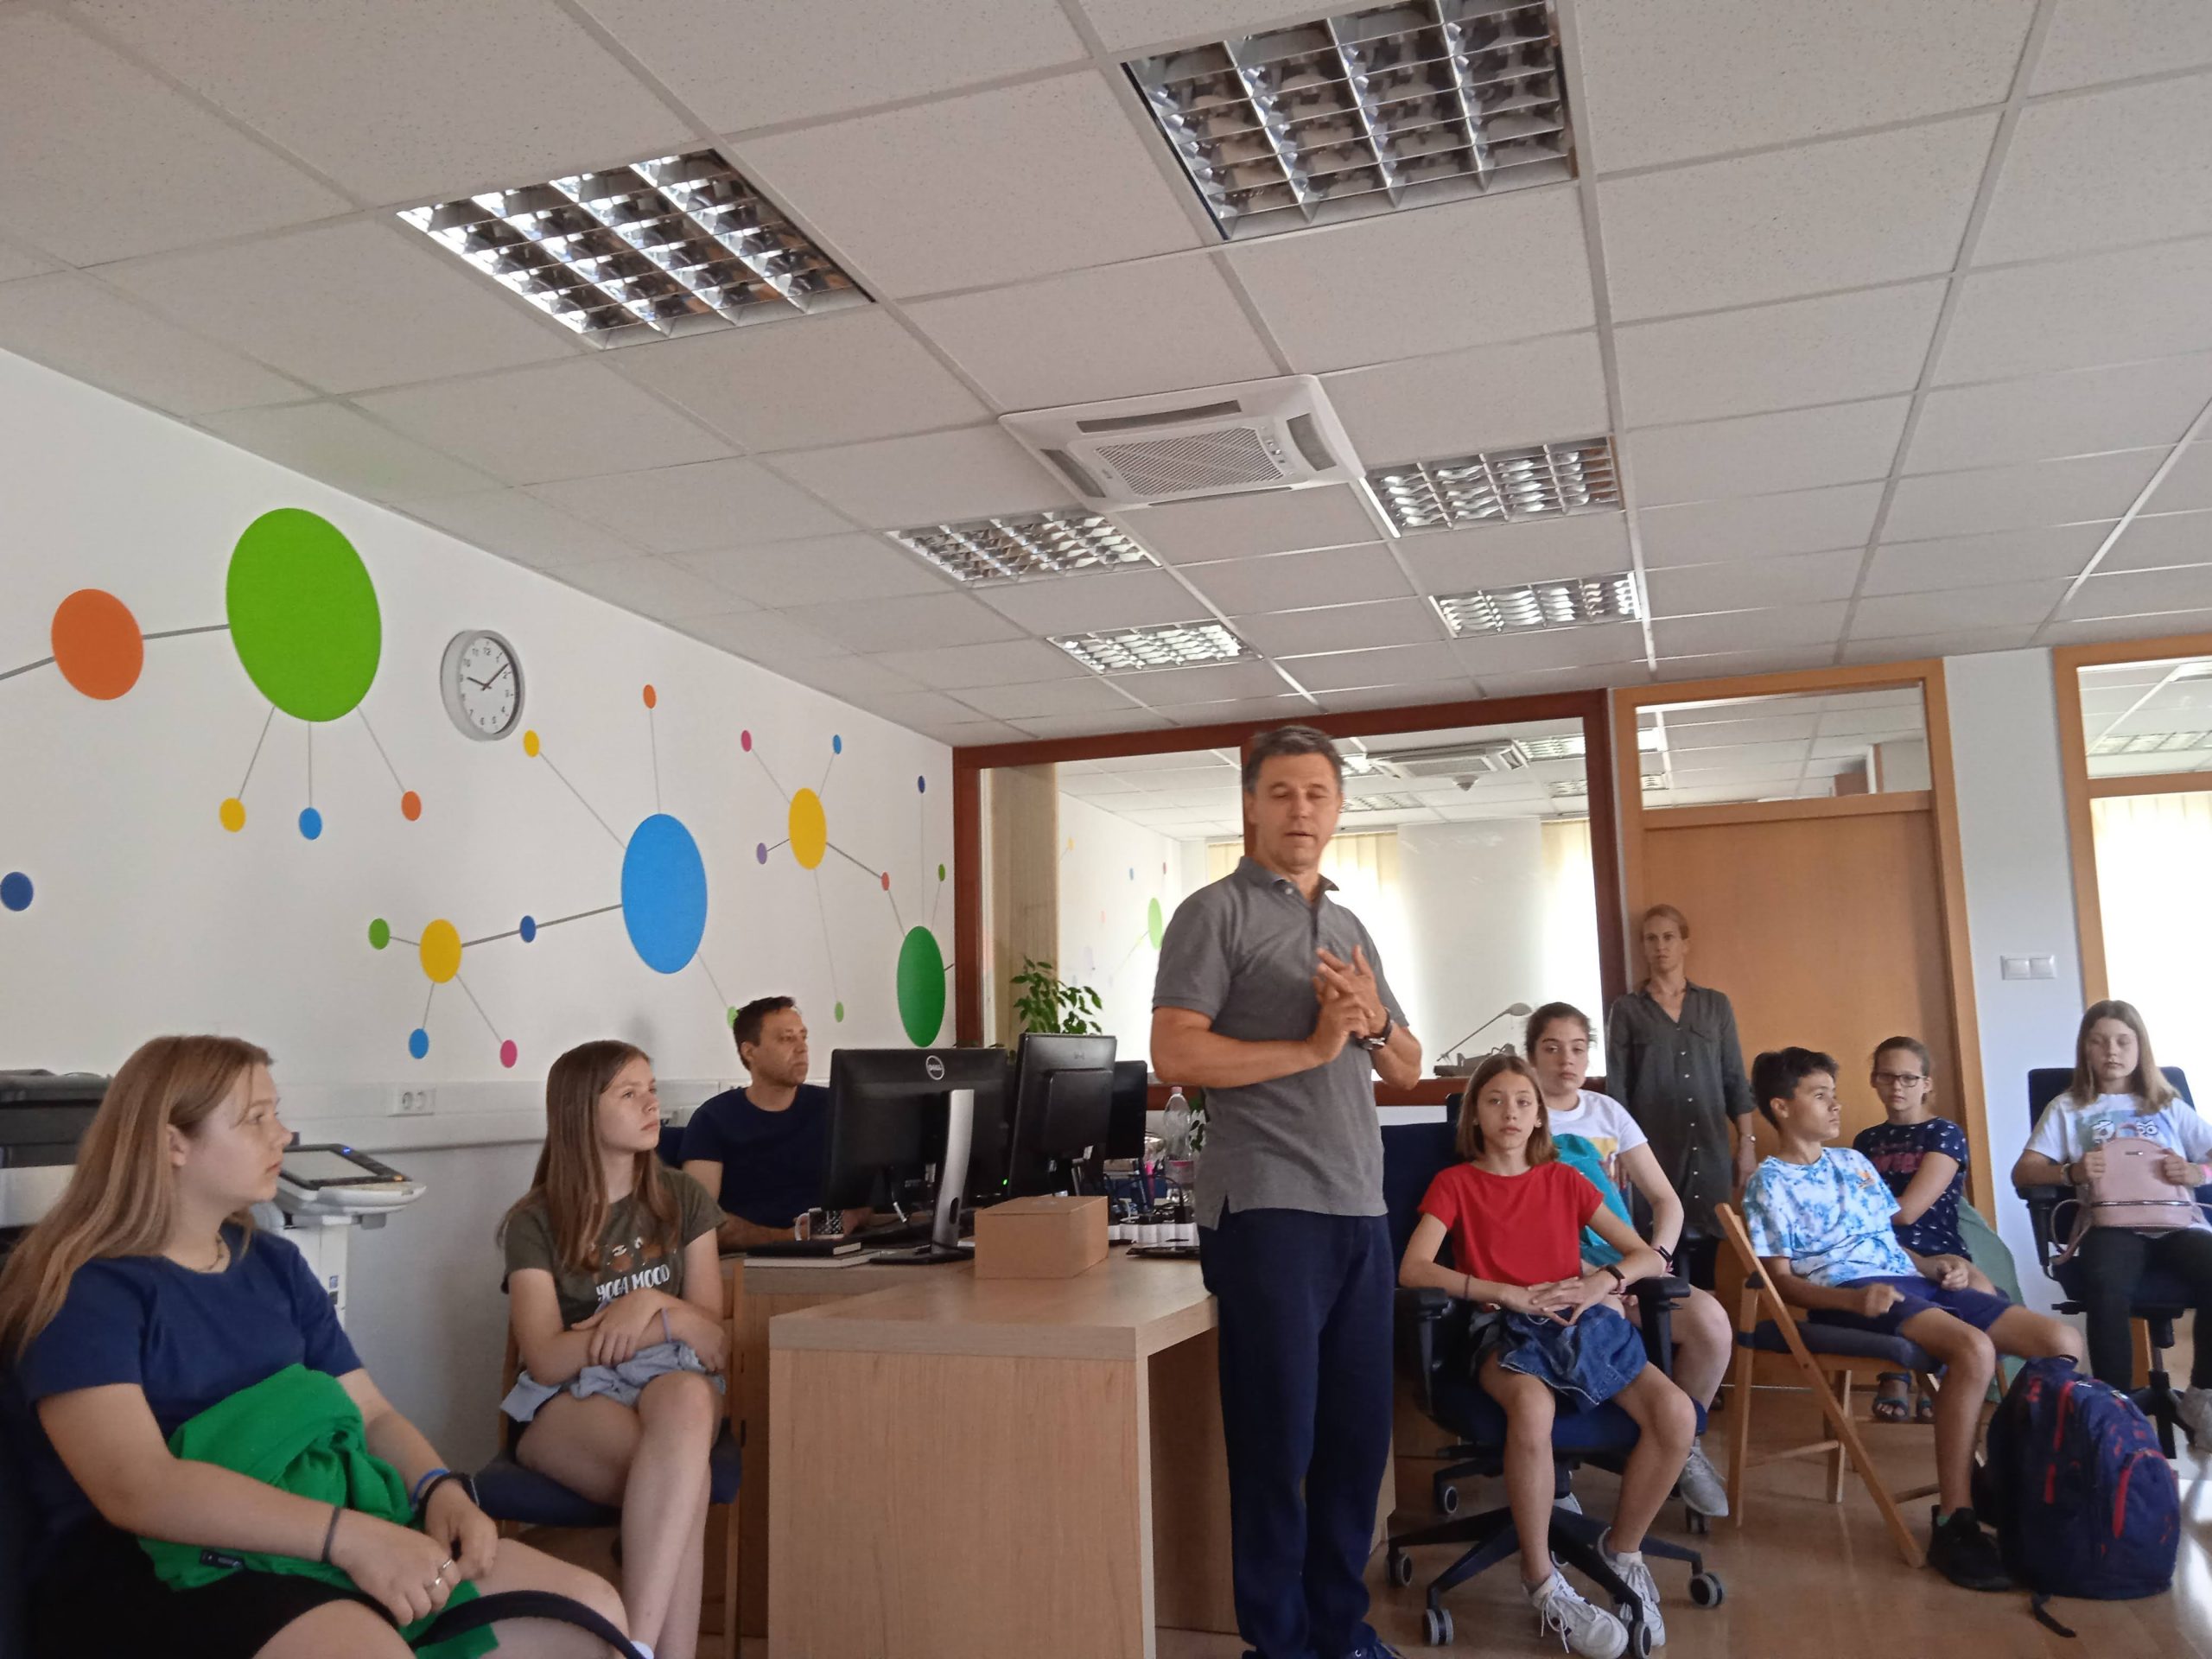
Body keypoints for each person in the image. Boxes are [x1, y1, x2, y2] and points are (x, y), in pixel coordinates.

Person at [0, 1034, 629, 1659]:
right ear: (174, 1144)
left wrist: (439, 1489)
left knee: (591, 1612)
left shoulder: (273, 1264)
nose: (283, 1135)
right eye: (255, 1119)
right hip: (156, 1567)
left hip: (321, 1522)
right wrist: (351, 1540)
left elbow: (371, 1414)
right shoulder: (86, 1293)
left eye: (276, 1114)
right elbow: (139, 1487)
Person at [1152, 723, 1422, 1659]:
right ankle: (1277, 1645)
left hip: (1360, 1207)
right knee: (1278, 1447)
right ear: (1250, 806)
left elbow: (1407, 1063)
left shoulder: (1350, 927)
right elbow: (1175, 1052)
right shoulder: (1213, 914)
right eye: (1281, 792)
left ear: (1338, 809)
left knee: (1355, 1444)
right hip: (1267, 1208)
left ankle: (1338, 1633)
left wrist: (1371, 1022)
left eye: (1316, 793)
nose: (1300, 809)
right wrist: (1310, 1047)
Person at [1743, 1046, 2086, 1591]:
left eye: (1835, 1094)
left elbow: (1891, 1246)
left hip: (1908, 1280)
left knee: (2060, 1340)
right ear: (1781, 1107)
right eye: (1821, 1096)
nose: (1836, 1105)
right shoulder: (1769, 1183)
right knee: (1973, 1349)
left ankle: (2011, 1479)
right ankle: (1954, 1518)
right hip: (1851, 1292)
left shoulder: (1854, 1164)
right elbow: (1780, 1282)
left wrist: (1938, 1264)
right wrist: (1852, 1302)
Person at [1401, 1054, 1694, 1658]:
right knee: (1532, 1411)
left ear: (1540, 1116)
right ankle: (1542, 1581)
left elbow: (1646, 1254)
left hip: (1578, 1320)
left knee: (1676, 1413)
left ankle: (1623, 1552)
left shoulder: (1564, 1179)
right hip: (1500, 1324)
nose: (1510, 1113)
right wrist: (1500, 1290)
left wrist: (1601, 1281)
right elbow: (1414, 1268)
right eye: (1495, 1101)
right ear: (1474, 1116)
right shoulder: (1456, 1183)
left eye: (1523, 1102)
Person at [501, 1040, 728, 1659]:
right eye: (630, 1093)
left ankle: (634, 1647)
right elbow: (547, 1358)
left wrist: (647, 1303)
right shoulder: (534, 1221)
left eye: (652, 1089)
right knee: (685, 1479)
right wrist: (667, 1322)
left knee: (685, 1407)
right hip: (570, 1398)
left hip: (672, 1382)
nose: (653, 1104)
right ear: (581, 1112)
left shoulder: (683, 1197)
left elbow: (712, 1334)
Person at [1526, 1001, 1732, 1518]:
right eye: (1552, 1048)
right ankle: (1557, 1469)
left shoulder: (1607, 1112)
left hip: (1624, 1260)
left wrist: (1656, 1256)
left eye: (1578, 1048)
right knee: (1601, 1318)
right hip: (1557, 1268)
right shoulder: (1519, 1111)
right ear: (1531, 1056)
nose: (1566, 1060)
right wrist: (1595, 1277)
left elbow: (1666, 1200)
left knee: (1711, 1323)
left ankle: (1682, 1445)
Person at [2012, 1000, 2212, 1442]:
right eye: (2099, 1042)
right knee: (2106, 1282)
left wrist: (2198, 1172)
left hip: (2177, 1221)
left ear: (2141, 1047)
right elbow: (2024, 1171)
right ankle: (2115, 1409)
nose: (2112, 1051)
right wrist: (2070, 1172)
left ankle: (2202, 1396)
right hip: (2111, 1223)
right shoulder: (2068, 1107)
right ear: (2085, 1049)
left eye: (2123, 1041)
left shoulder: (2166, 1104)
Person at [1604, 906, 1758, 1290]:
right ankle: (1668, 1328)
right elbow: (1618, 1089)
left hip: (1709, 1150)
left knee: (1706, 1254)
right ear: (1643, 946)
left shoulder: (1715, 1005)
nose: (1660, 946)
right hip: (1650, 1152)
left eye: (1669, 937)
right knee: (1656, 1254)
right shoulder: (1627, 1010)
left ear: (1685, 943)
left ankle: (1706, 1322)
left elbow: (1734, 1078)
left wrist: (1747, 1144)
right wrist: (1619, 1152)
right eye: (1651, 938)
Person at [1852, 1035, 1993, 1423]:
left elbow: (1907, 1212)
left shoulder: (1944, 1134)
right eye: (1887, 1076)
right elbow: (1857, 1208)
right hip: (1878, 1248)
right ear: (1874, 1080)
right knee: (1882, 1279)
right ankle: (1895, 1373)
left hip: (1935, 1246)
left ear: (1926, 1083)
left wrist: (1862, 1213)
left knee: (1975, 1290)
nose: (1897, 1086)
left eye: (1908, 1078)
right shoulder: (1866, 1141)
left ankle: (1940, 1373)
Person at [681, 996, 866, 1249]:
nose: (802, 1048)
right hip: (750, 1258)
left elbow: (865, 1198)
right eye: (787, 1039)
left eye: (803, 1037)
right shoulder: (712, 1119)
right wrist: (788, 1238)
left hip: (836, 1249)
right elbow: (699, 1220)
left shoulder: (833, 1106)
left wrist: (847, 1219)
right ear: (750, 1052)